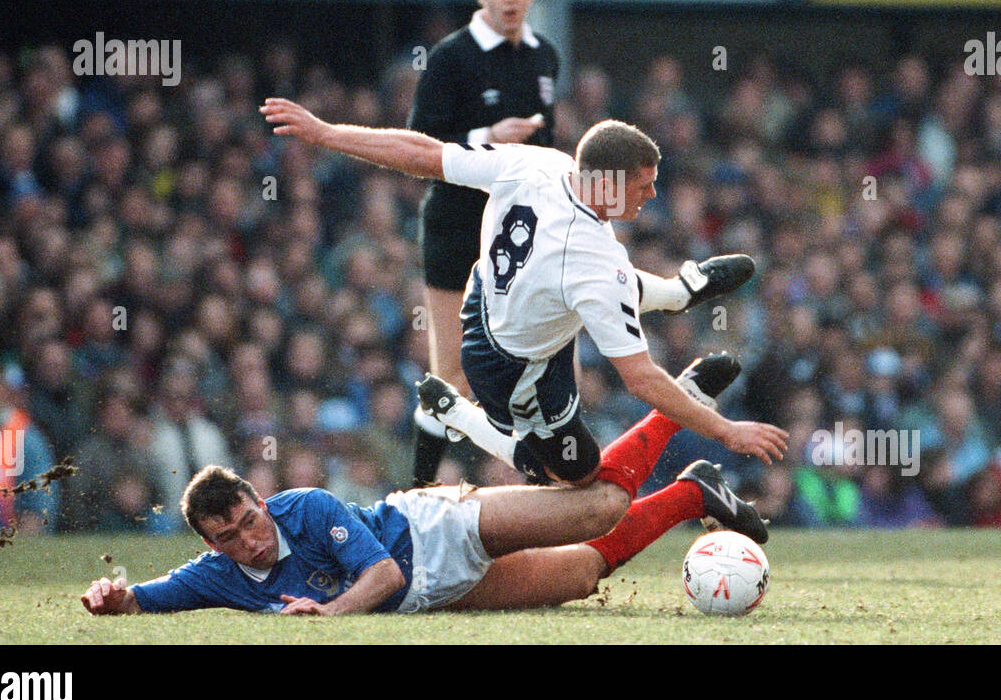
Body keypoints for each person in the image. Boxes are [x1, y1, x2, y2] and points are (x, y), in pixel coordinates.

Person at [259, 98, 788, 487]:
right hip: (515, 368)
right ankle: (456, 412)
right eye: (643, 184)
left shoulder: (540, 163)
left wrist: (328, 132)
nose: (652, 194)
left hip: (490, 295)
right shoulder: (593, 264)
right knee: (574, 477)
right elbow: (642, 378)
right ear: (606, 181)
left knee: (604, 292)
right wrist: (725, 431)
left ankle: (679, 291)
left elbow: (425, 153)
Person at [79, 397, 767, 615]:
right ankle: (691, 493)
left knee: (592, 509)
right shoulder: (218, 574)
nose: (249, 541)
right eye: (228, 538)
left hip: (433, 528)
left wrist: (329, 614)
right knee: (583, 573)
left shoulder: (307, 506)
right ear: (210, 544)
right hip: (436, 596)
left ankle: (674, 405)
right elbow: (143, 598)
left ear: (261, 500)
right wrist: (114, 598)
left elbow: (383, 576)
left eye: (249, 521)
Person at [406, 0, 559, 487]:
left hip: (515, 235)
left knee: (538, 371)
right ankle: (419, 491)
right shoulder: (451, 57)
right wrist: (486, 139)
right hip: (454, 229)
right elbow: (419, 142)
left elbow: (551, 142)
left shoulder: (544, 54)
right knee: (451, 376)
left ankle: (548, 490)